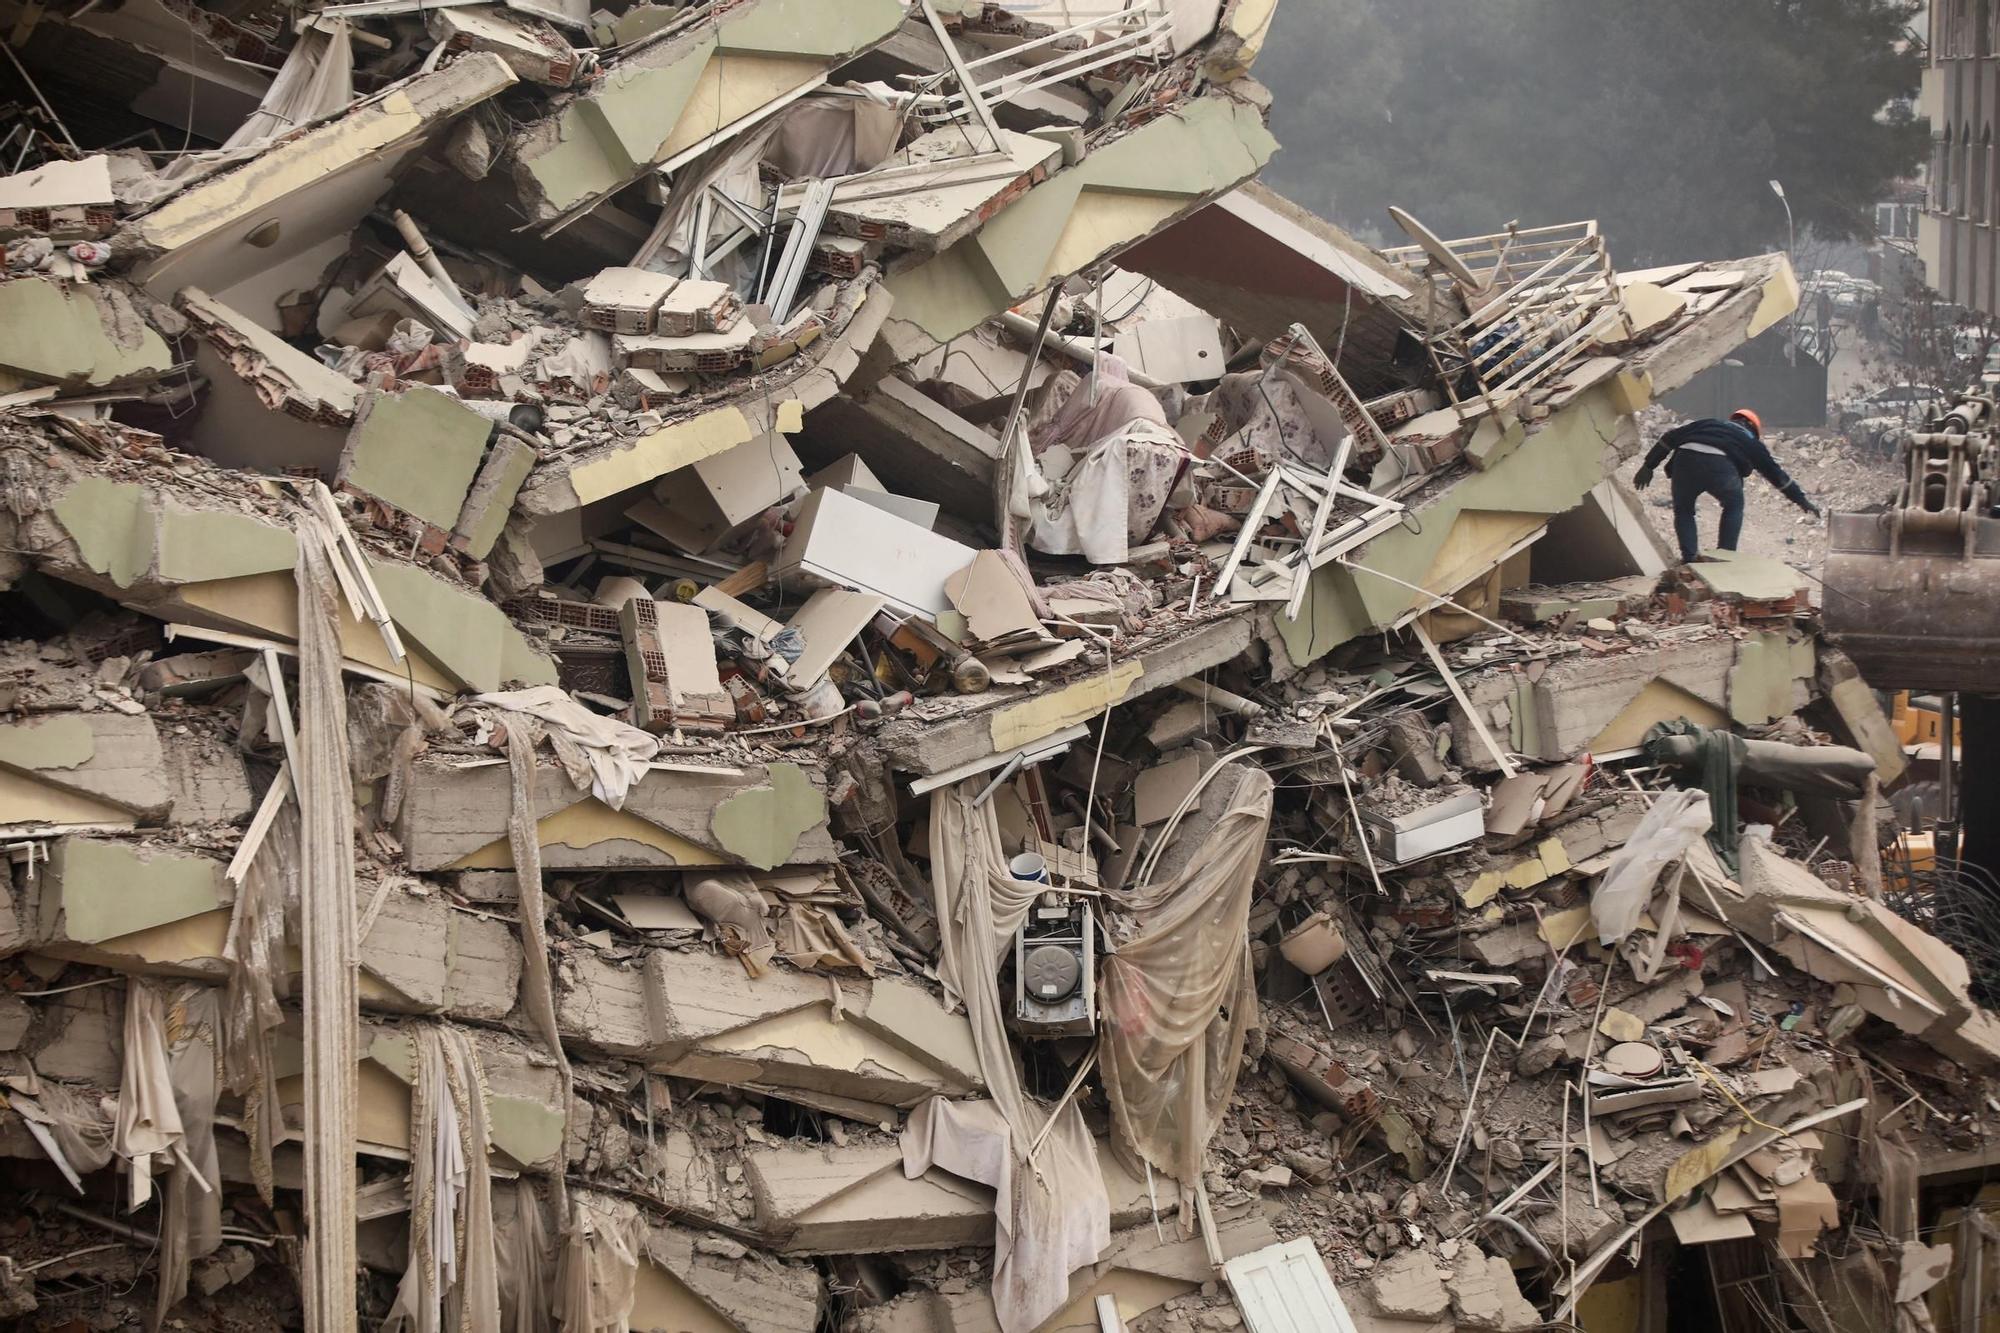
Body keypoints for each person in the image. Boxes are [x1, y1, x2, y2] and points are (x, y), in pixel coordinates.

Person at [1634, 408, 1821, 563]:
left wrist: (1648, 465)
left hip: (1685, 461)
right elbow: (1776, 475)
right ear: (1753, 429)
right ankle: (1724, 558)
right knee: (1733, 506)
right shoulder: (1750, 442)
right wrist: (1801, 500)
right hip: (1721, 468)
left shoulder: (1706, 423)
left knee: (1683, 511)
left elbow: (1670, 437)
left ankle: (1689, 559)